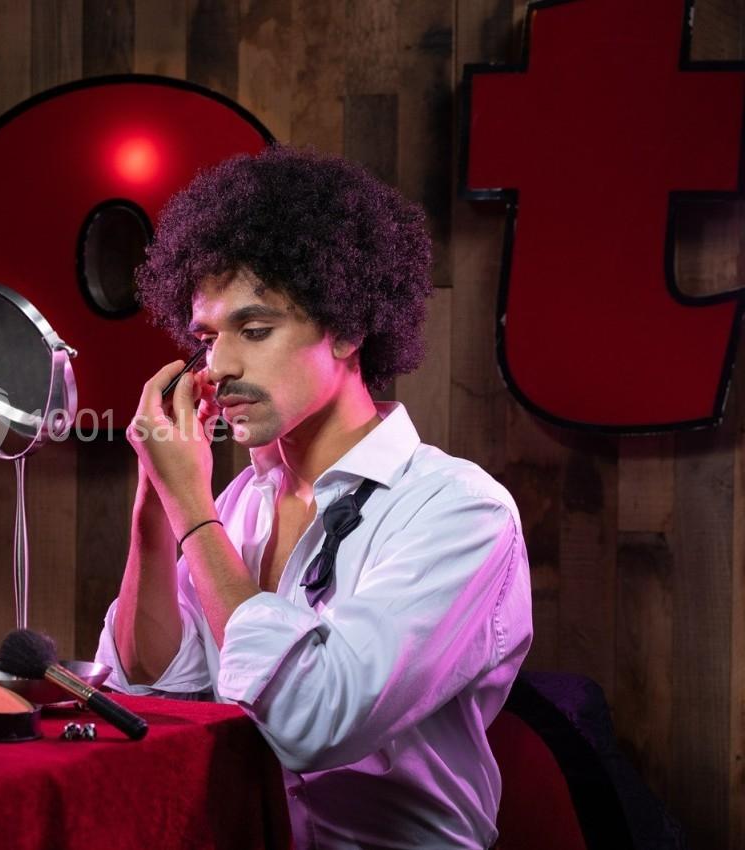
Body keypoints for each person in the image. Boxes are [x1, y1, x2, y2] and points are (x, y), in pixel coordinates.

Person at [95, 146, 533, 850]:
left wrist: (193, 513)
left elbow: (312, 718)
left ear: (349, 328)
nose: (220, 366)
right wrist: (156, 498)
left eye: (256, 330)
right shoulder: (239, 502)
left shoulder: (458, 512)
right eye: (207, 337)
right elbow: (150, 686)